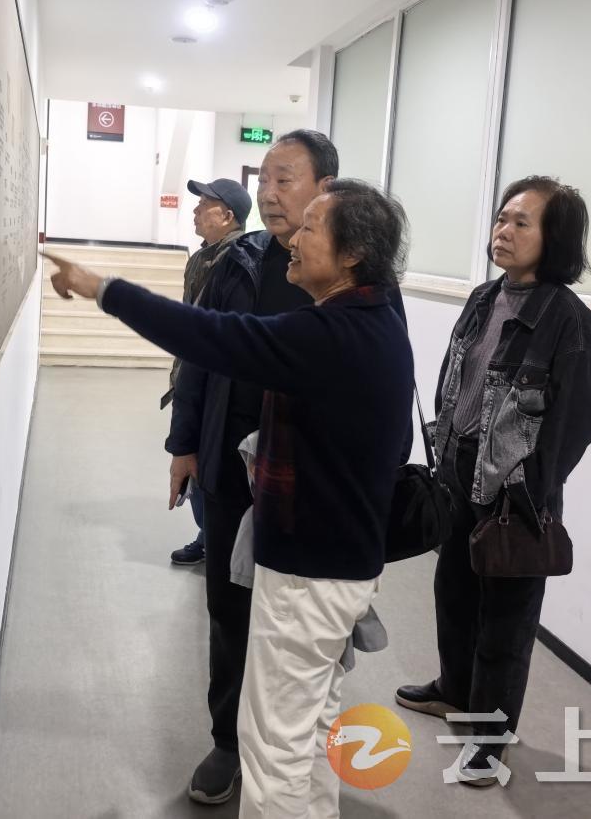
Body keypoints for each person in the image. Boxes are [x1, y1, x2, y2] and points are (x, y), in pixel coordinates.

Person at [43, 179, 414, 818]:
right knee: (310, 727)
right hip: (339, 565)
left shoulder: (332, 334)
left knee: (273, 746)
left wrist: (103, 287)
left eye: (311, 227)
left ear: (352, 253)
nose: (293, 238)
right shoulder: (374, 318)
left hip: (310, 575)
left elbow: (211, 335)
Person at [395, 175, 591, 786]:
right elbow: (460, 379)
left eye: (521, 222)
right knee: (453, 592)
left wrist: (532, 479)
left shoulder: (567, 318)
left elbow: (585, 413)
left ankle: (489, 737)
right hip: (457, 472)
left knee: (507, 619)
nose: (503, 231)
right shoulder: (484, 297)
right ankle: (454, 690)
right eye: (501, 218)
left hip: (515, 491)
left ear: (554, 237)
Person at [163, 129, 330, 805]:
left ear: (324, 188)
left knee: (297, 621)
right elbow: (198, 354)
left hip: (305, 480)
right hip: (230, 472)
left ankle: (287, 748)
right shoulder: (238, 262)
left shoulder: (347, 273)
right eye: (263, 178)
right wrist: (184, 444)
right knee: (229, 611)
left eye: (285, 178)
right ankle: (227, 742)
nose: (269, 192)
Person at [165, 178, 251, 567]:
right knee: (194, 463)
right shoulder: (203, 257)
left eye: (205, 204)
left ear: (227, 215)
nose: (196, 210)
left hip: (217, 387)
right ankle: (208, 536)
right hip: (193, 374)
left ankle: (216, 541)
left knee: (206, 465)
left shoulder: (238, 261)